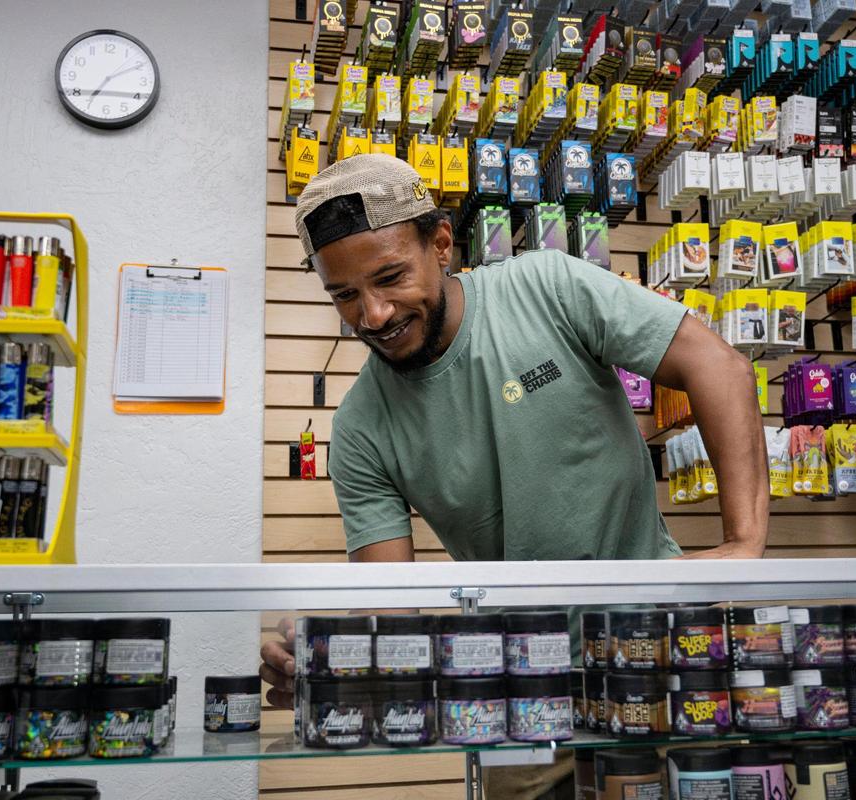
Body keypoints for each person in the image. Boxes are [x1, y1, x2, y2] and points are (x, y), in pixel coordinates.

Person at [260, 154, 769, 797]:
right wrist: (328, 664)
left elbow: (719, 366)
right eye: (345, 295)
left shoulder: (549, 286)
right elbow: (390, 612)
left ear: (441, 243)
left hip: (658, 646)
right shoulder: (361, 428)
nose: (374, 315)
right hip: (516, 687)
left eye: (389, 277)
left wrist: (745, 546)